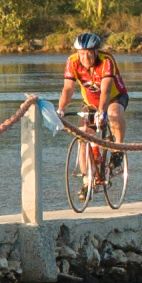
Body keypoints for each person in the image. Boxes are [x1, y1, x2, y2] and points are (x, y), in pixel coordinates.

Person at [56, 31, 128, 184]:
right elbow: (68, 89)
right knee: (83, 136)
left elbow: (106, 90)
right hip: (90, 101)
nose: (85, 58)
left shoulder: (106, 60)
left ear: (96, 51)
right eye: (81, 54)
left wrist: (102, 112)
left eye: (89, 54)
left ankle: (118, 150)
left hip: (115, 97)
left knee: (113, 112)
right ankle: (86, 180)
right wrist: (60, 110)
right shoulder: (72, 61)